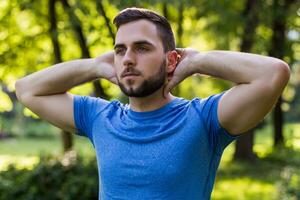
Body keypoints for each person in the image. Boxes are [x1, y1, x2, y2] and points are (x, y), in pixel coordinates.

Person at [15, 7, 290, 200]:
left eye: (142, 48)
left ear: (170, 60)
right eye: (120, 50)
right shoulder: (99, 117)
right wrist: (94, 66)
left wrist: (196, 62)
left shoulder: (202, 119)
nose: (128, 59)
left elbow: (272, 73)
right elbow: (27, 89)